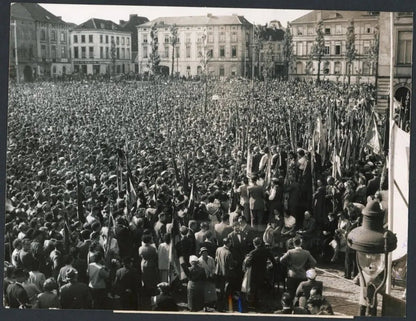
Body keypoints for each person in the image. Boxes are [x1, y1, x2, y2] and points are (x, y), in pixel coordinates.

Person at [243, 237, 276, 309]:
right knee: (260, 287)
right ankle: (259, 302)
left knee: (252, 288)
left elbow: (248, 263)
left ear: (254, 244)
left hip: (254, 273)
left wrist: (246, 260)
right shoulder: (266, 251)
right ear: (261, 243)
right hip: (263, 272)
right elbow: (273, 261)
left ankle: (252, 303)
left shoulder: (253, 253)